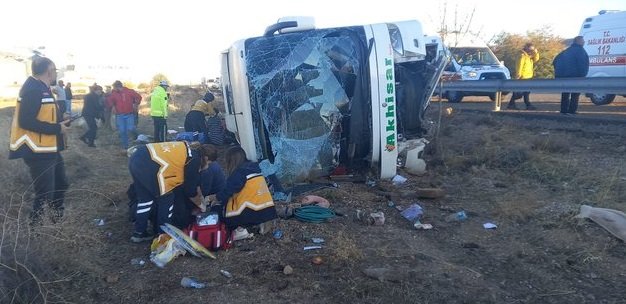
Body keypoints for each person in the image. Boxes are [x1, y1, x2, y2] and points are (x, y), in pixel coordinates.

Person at [8, 56, 70, 224]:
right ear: (49, 71)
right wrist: (57, 128)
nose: (55, 73)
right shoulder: (33, 89)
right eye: (55, 70)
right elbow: (26, 120)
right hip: (37, 150)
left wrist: (60, 118)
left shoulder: (42, 87)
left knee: (61, 184)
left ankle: (57, 220)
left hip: (49, 148)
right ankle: (36, 229)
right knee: (44, 192)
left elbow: (43, 113)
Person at [128, 141, 210, 242]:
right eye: (209, 163)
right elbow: (190, 189)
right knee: (167, 198)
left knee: (145, 199)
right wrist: (201, 205)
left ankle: (139, 232)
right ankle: (163, 234)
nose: (208, 166)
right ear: (206, 158)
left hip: (137, 156)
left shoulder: (187, 148)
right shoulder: (195, 159)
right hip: (151, 165)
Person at [213, 146, 277, 229]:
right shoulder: (255, 169)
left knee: (217, 210)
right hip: (268, 211)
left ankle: (242, 228)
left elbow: (228, 191)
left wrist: (215, 198)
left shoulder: (239, 173)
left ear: (231, 161)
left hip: (250, 212)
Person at [553, 36, 589, 115]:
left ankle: (563, 110)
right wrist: (583, 75)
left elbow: (555, 60)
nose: (584, 42)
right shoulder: (580, 51)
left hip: (564, 76)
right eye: (583, 40)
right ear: (578, 41)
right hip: (576, 76)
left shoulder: (567, 51)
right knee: (575, 94)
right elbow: (582, 64)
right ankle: (572, 110)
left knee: (565, 93)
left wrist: (560, 72)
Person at [106, 80, 142, 149]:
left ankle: (136, 135)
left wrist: (136, 104)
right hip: (120, 115)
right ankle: (125, 146)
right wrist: (113, 106)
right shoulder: (114, 93)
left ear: (118, 87)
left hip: (129, 114)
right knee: (122, 131)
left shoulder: (129, 91)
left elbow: (138, 97)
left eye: (114, 88)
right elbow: (109, 100)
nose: (113, 89)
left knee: (131, 128)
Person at [507, 43, 539, 110]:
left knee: (526, 91)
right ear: (527, 48)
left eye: (532, 49)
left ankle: (516, 104)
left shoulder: (529, 56)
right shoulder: (522, 55)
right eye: (531, 49)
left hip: (528, 76)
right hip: (523, 76)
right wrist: (518, 75)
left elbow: (536, 59)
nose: (532, 51)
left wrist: (536, 53)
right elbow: (519, 66)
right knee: (521, 92)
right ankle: (525, 104)